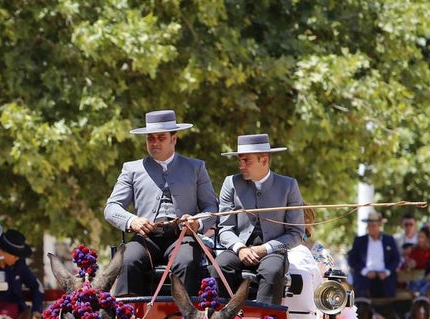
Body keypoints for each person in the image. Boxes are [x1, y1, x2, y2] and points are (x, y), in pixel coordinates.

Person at [103, 109, 218, 296]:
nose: (154, 142)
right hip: (147, 238)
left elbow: (211, 207)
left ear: (174, 139)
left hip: (183, 237)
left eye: (160, 137)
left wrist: (197, 223)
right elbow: (111, 207)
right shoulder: (131, 169)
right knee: (126, 260)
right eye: (150, 138)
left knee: (187, 261)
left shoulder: (196, 167)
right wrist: (132, 221)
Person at [214, 133, 304, 304]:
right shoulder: (230, 183)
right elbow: (224, 229)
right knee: (220, 266)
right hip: (238, 249)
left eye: (246, 161)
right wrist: (240, 248)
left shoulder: (288, 185)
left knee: (272, 271)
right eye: (239, 160)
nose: (241, 166)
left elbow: (296, 233)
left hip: (273, 252)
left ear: (264, 160)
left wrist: (265, 248)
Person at [0, 229, 43, 319]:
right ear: (2, 251)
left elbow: (36, 286)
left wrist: (36, 309)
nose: (17, 258)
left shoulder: (19, 265)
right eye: (15, 255)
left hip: (15, 309)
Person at [347, 210, 401, 298]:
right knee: (361, 291)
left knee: (388, 292)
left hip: (384, 277)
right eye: (369, 225)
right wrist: (365, 271)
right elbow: (351, 260)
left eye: (373, 225)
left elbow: (396, 260)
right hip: (365, 277)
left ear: (379, 226)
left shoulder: (389, 240)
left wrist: (386, 272)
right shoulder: (359, 241)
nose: (371, 227)